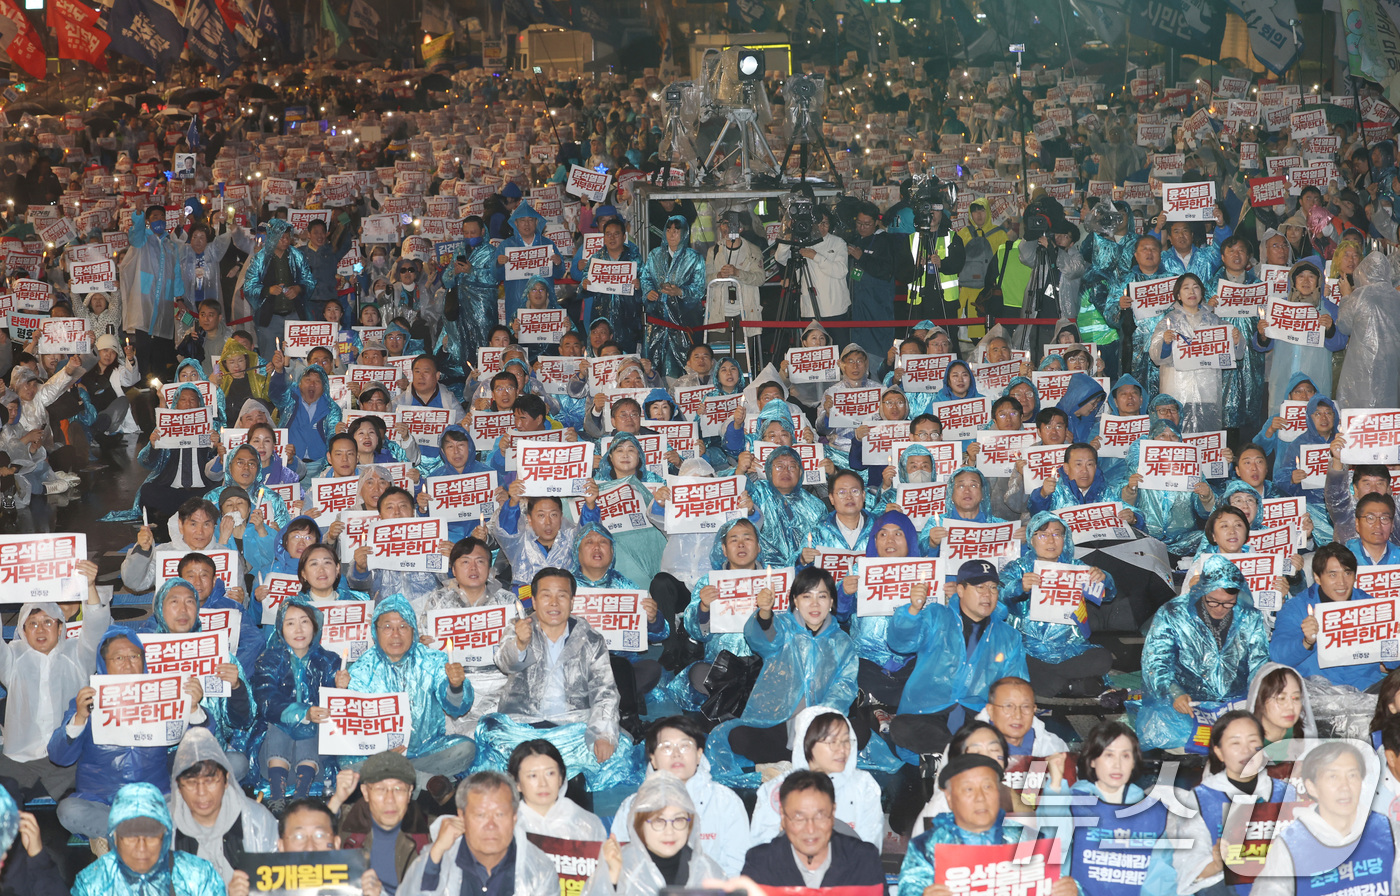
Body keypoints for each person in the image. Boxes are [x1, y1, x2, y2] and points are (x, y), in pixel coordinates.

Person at [50, 625, 209, 844]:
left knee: (190, 806)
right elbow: (59, 756)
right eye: (118, 658)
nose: (128, 663)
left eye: (134, 656)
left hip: (156, 796)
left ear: (143, 660)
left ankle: (119, 839)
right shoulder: (87, 700)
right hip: (101, 801)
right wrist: (79, 719)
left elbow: (205, 744)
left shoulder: (165, 693)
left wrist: (192, 709)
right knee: (68, 810)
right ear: (103, 664)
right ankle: (147, 839)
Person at [708, 567, 859, 785]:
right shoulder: (785, 628)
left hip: (818, 726)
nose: (815, 604)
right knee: (738, 736)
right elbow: (763, 640)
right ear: (795, 601)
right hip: (778, 720)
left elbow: (845, 684)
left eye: (822, 596)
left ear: (832, 603)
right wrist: (765, 614)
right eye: (806, 596)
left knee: (859, 733)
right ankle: (805, 764)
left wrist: (820, 716)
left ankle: (781, 764)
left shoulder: (842, 641)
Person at [477, 567, 625, 786]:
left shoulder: (591, 638)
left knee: (620, 755)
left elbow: (605, 691)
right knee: (488, 754)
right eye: (546, 595)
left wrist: (603, 734)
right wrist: (520, 644)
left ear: (572, 601)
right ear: (534, 602)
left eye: (562, 596)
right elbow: (505, 663)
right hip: (521, 728)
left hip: (573, 728)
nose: (554, 603)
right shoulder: (518, 628)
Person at [339, 595, 476, 790]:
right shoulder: (361, 669)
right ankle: (425, 781)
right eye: (387, 627)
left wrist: (455, 686)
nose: (396, 634)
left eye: (403, 626)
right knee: (347, 761)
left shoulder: (433, 660)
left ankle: (396, 775)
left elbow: (457, 709)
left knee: (465, 748)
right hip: (380, 754)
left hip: (426, 751)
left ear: (413, 630)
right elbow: (354, 728)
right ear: (375, 632)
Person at [0, 560, 109, 802]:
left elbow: (96, 628)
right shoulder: (12, 657)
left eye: (48, 622)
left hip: (69, 761)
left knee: (84, 809)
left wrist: (89, 586)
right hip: (18, 760)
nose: (40, 629)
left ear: (61, 628)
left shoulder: (77, 654)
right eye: (33, 624)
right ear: (23, 630)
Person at [1139, 554, 1270, 750]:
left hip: (1235, 703)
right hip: (1187, 702)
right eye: (1213, 602)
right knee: (1173, 735)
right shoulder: (1173, 613)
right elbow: (1156, 661)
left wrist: (1255, 696)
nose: (1220, 609)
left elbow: (1259, 663)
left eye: (1228, 603)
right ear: (1202, 591)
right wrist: (1174, 692)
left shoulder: (1249, 616)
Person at [898, 753, 1076, 896]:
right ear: (950, 798)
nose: (980, 797)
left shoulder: (1026, 839)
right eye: (968, 788)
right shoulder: (926, 846)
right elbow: (909, 889)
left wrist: (1070, 891)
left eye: (988, 787)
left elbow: (1054, 881)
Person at [1038, 722, 1177, 896]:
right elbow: (1053, 847)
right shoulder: (1071, 802)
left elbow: (1161, 879)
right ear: (1093, 760)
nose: (1117, 765)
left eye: (1125, 756)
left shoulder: (1153, 814)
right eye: (1109, 755)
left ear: (1134, 762)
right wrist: (1055, 785)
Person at [1171, 710, 1294, 895]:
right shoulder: (1202, 798)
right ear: (1219, 752)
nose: (1246, 751)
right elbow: (1187, 864)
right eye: (1235, 743)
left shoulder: (1286, 793)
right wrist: (1216, 863)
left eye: (1253, 741)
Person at [1254, 741, 1400, 896]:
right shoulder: (1291, 845)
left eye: (1352, 775)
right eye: (1333, 776)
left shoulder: (1388, 831)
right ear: (1311, 787)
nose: (1345, 786)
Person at [610, 717, 750, 877]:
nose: (676, 754)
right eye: (666, 747)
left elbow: (737, 868)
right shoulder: (632, 807)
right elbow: (622, 868)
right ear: (653, 759)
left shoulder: (725, 803)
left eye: (685, 746)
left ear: (699, 754)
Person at [397, 771, 560, 896]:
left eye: (500, 814)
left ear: (514, 817)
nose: (491, 825)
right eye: (480, 815)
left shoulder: (538, 869)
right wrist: (437, 852)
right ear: (462, 817)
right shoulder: (442, 860)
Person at [748, 707, 883, 849]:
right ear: (807, 744)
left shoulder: (863, 785)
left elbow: (870, 847)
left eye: (846, 741)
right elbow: (762, 848)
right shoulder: (778, 790)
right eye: (832, 741)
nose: (842, 749)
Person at [252, 597, 341, 802]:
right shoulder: (269, 659)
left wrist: (340, 687)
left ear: (315, 626)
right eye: (290, 623)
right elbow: (266, 699)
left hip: (316, 758)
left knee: (309, 723)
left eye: (305, 622)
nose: (299, 630)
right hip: (273, 754)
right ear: (280, 629)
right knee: (280, 724)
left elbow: (336, 707)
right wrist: (302, 712)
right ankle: (277, 795)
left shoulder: (330, 660)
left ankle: (302, 795)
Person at [70, 782, 225, 896]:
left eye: (150, 837)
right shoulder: (91, 885)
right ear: (115, 840)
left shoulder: (198, 876)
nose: (141, 848)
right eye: (131, 838)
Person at [1272, 544, 1389, 692]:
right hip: (1318, 695)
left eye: (1347, 573)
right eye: (1332, 574)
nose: (1341, 582)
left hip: (1367, 691)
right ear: (1317, 577)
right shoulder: (1296, 608)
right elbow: (1278, 657)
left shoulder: (1371, 606)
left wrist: (1394, 640)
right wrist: (1306, 642)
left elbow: (1393, 663)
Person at [740, 769, 884, 890]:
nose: (810, 829)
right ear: (783, 817)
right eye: (799, 817)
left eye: (820, 816)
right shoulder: (761, 864)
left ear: (833, 813)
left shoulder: (863, 861)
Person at [168, 728, 277, 885]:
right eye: (191, 783)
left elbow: (276, 883)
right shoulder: (166, 826)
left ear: (226, 779)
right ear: (178, 785)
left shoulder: (256, 820)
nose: (201, 792)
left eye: (210, 781)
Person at [593, 770, 726, 895]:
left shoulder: (707, 871)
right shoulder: (622, 867)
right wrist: (612, 881)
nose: (669, 831)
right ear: (640, 826)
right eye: (658, 821)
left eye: (679, 820)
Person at [228, 798, 384, 896]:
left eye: (319, 835)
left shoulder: (359, 887)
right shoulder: (260, 889)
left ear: (336, 843)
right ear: (280, 845)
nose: (310, 847)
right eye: (299, 837)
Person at [336, 751, 430, 896]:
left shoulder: (433, 834)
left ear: (410, 792)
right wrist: (336, 799)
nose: (390, 799)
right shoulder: (345, 826)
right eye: (380, 789)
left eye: (398, 789)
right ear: (365, 792)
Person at [509, 740, 607, 839]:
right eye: (533, 775)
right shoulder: (506, 827)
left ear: (561, 778)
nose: (543, 784)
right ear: (517, 783)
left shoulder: (585, 824)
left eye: (550, 773)